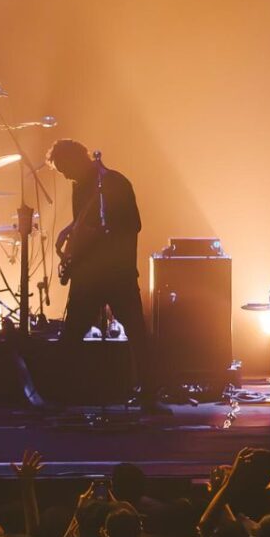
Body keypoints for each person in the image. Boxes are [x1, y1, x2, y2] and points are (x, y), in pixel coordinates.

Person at [47, 138, 164, 410]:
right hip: (88, 273)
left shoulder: (115, 183)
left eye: (66, 169)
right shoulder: (80, 187)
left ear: (78, 159)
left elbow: (133, 224)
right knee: (72, 334)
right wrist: (72, 230)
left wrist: (99, 233)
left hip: (116, 272)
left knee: (136, 332)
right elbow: (87, 223)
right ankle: (61, 397)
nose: (66, 176)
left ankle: (149, 396)